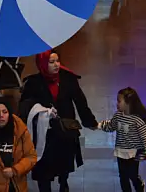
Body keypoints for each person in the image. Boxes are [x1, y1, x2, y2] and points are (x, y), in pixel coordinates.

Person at [19, 50, 98, 192]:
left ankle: (63, 182)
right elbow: (24, 106)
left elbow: (80, 101)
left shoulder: (68, 78)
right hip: (45, 133)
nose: (56, 65)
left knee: (64, 162)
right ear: (43, 64)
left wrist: (89, 122)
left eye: (57, 61)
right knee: (44, 169)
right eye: (51, 62)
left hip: (64, 130)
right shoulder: (33, 83)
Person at [98, 88, 146, 192]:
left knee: (132, 175)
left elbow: (145, 136)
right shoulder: (118, 116)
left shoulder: (137, 120)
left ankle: (139, 185)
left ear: (128, 103)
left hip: (133, 153)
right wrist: (99, 125)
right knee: (123, 177)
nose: (117, 104)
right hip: (120, 152)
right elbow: (111, 125)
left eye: (119, 101)